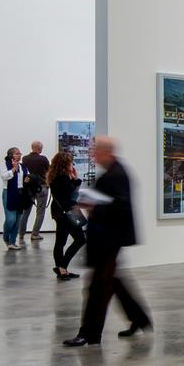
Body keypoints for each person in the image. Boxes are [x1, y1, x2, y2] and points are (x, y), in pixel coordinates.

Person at [64, 135, 153, 347]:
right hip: (106, 238)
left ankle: (89, 334)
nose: (92, 154)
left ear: (106, 152)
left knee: (97, 288)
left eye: (95, 150)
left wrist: (94, 206)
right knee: (112, 282)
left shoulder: (117, 174)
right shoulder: (111, 172)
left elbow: (121, 206)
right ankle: (139, 319)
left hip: (109, 239)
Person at [48, 149, 86, 281]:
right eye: (71, 162)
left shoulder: (54, 176)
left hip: (59, 212)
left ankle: (61, 271)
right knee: (80, 239)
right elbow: (71, 194)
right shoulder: (63, 178)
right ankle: (62, 267)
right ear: (65, 164)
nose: (72, 165)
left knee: (60, 242)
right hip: (67, 212)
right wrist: (76, 180)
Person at [22, 139, 51, 241]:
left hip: (30, 187)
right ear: (39, 148)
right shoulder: (43, 159)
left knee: (26, 211)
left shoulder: (25, 158)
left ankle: (21, 233)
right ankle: (35, 234)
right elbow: (49, 171)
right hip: (42, 186)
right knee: (40, 211)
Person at [1, 147, 29, 250]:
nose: (19, 155)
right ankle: (6, 236)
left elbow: (27, 176)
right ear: (11, 155)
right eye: (17, 153)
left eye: (20, 153)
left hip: (20, 193)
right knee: (10, 219)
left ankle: (12, 242)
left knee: (17, 220)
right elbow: (4, 177)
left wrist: (27, 179)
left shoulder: (23, 166)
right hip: (9, 193)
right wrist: (13, 169)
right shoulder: (5, 165)